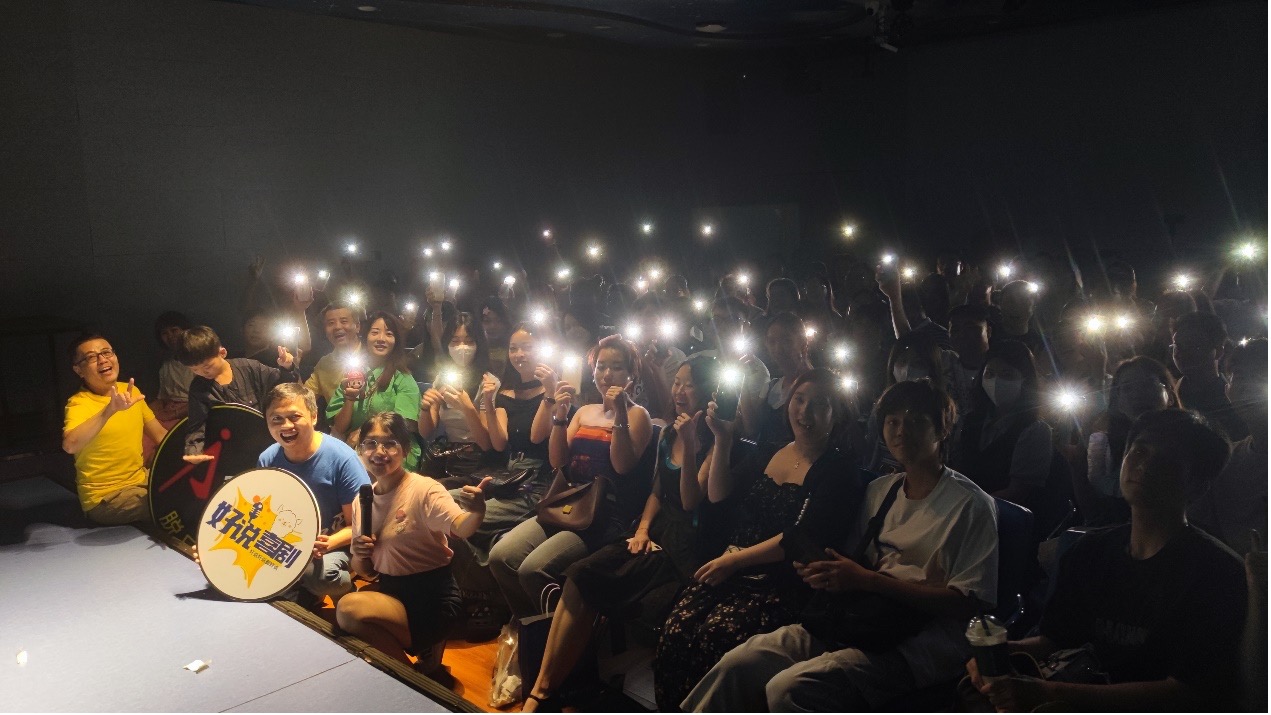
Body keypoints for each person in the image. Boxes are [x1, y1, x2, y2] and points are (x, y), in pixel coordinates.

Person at [683, 379, 998, 713]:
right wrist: (823, 569)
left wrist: (870, 581)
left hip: (917, 642)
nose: (902, 431)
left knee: (789, 688)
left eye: (916, 422)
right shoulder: (882, 490)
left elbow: (970, 604)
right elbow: (849, 559)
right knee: (739, 664)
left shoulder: (971, 505)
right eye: (893, 421)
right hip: (857, 618)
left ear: (942, 429)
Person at [965, 409, 1245, 712]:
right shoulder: (1090, 551)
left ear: (1198, 484)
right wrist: (1002, 653)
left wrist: (1048, 692)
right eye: (1139, 450)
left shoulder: (1216, 574)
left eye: (1168, 459)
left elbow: (1186, 693)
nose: (1144, 464)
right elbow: (1055, 637)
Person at [655, 368, 869, 711]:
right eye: (799, 400)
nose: (805, 411)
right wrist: (723, 439)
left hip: (778, 583)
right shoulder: (772, 450)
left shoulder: (840, 470)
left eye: (819, 404)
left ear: (837, 414)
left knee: (717, 636)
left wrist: (734, 560)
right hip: (732, 568)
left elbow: (801, 537)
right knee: (676, 628)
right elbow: (719, 496)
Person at [522, 356, 719, 712]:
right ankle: (543, 689)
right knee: (579, 576)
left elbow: (689, 501)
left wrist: (690, 446)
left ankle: (554, 689)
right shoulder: (669, 432)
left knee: (601, 584)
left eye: (689, 385)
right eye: (677, 382)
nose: (679, 390)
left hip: (684, 546)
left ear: (707, 391)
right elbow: (657, 492)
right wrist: (642, 529)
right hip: (652, 529)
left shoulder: (712, 439)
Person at [487, 335, 655, 619]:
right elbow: (558, 462)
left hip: (602, 515)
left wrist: (620, 412)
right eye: (601, 366)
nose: (607, 374)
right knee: (501, 556)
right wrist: (561, 416)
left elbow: (622, 465)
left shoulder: (638, 415)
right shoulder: (585, 411)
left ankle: (556, 634)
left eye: (616, 367)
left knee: (533, 569)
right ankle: (531, 626)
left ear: (631, 374)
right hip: (567, 502)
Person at [339, 411, 490, 665]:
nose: (379, 451)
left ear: (406, 449)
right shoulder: (362, 499)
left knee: (347, 610)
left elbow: (461, 527)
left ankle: (407, 679)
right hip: (391, 591)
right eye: (370, 443)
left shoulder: (423, 489)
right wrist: (359, 553)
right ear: (360, 450)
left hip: (431, 598)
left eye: (389, 443)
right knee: (357, 612)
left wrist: (476, 512)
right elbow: (365, 570)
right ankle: (417, 661)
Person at [258, 383, 370, 604]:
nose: (286, 426)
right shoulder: (267, 459)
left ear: (314, 416)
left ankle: (346, 591)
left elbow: (361, 526)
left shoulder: (342, 459)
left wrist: (328, 543)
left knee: (320, 575)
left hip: (335, 545)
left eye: (294, 417)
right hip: (290, 542)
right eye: (276, 419)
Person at [950, 340, 1066, 538]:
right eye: (990, 374)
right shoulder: (970, 420)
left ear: (1025, 381)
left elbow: (1017, 493)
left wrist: (968, 507)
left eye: (1007, 375)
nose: (996, 382)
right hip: (965, 516)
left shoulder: (1035, 430)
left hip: (1007, 526)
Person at [62, 334, 169, 524]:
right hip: (106, 498)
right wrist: (109, 410)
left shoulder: (130, 391)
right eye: (91, 357)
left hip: (142, 481)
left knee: (192, 485)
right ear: (78, 370)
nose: (102, 360)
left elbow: (161, 435)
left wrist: (194, 456)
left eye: (106, 352)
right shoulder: (79, 403)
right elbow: (70, 445)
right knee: (172, 501)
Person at [177, 326, 300, 463]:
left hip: (264, 441)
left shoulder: (249, 367)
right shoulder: (198, 388)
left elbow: (283, 384)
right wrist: (194, 452)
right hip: (229, 450)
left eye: (207, 366)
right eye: (195, 370)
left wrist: (287, 366)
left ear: (222, 352)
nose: (202, 372)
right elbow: (197, 424)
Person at [1190, 338, 1267, 556]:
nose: (1251, 386)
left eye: (1262, 375)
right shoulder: (1224, 462)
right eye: (1240, 377)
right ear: (1227, 391)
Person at [1080, 357, 1179, 525]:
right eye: (1127, 388)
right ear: (1117, 400)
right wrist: (1076, 464)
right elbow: (1095, 509)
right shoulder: (1105, 446)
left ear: (1169, 394)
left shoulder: (1186, 443)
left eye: (1147, 385)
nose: (1137, 395)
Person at [327, 311, 422, 470]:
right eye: (375, 332)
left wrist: (364, 433)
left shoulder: (403, 378)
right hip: (355, 449)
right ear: (366, 337)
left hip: (394, 450)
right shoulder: (354, 374)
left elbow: (405, 425)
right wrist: (349, 399)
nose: (381, 339)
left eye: (389, 334)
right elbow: (339, 428)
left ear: (396, 341)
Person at [417, 311, 494, 475]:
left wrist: (466, 407)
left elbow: (486, 443)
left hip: (476, 459)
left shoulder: (488, 383)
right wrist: (425, 407)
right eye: (455, 341)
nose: (462, 347)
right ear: (447, 345)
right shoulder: (442, 378)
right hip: (448, 454)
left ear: (479, 344)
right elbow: (426, 432)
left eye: (469, 341)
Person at [738, 312, 813, 449]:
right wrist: (743, 376)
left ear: (803, 343)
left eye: (786, 341)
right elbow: (751, 429)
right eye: (772, 342)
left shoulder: (816, 386)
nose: (778, 349)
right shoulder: (772, 387)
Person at [1172, 312, 1248, 441]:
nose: (1180, 353)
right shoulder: (1169, 394)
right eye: (1176, 346)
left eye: (1192, 346)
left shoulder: (1233, 399)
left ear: (1218, 351)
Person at [305, 301, 364, 406]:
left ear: (358, 326)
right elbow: (303, 399)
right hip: (336, 416)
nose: (337, 327)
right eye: (331, 323)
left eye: (344, 321)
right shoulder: (324, 364)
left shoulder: (374, 355)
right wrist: (293, 366)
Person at [152, 311, 194, 423]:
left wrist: (173, 414)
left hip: (192, 414)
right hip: (169, 411)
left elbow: (206, 399)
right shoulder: (166, 366)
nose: (170, 336)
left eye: (174, 330)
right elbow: (162, 399)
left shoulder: (199, 361)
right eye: (164, 333)